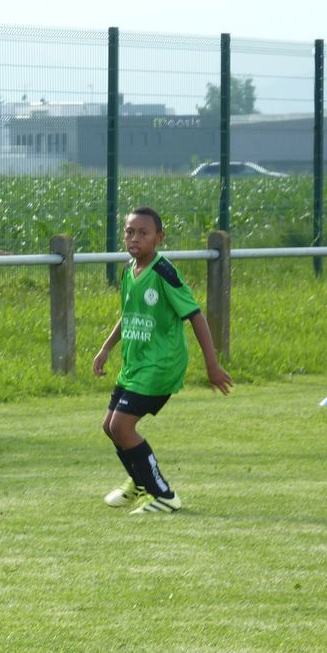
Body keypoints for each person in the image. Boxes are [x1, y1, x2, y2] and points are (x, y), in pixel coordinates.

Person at [92, 207, 232, 514]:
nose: (135, 238)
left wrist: (212, 364)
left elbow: (195, 316)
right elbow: (129, 314)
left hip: (161, 364)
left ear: (159, 238)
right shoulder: (129, 270)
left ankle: (163, 495)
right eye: (130, 232)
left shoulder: (164, 273)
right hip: (135, 364)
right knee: (110, 426)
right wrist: (106, 348)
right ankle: (139, 482)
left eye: (143, 233)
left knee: (122, 426)